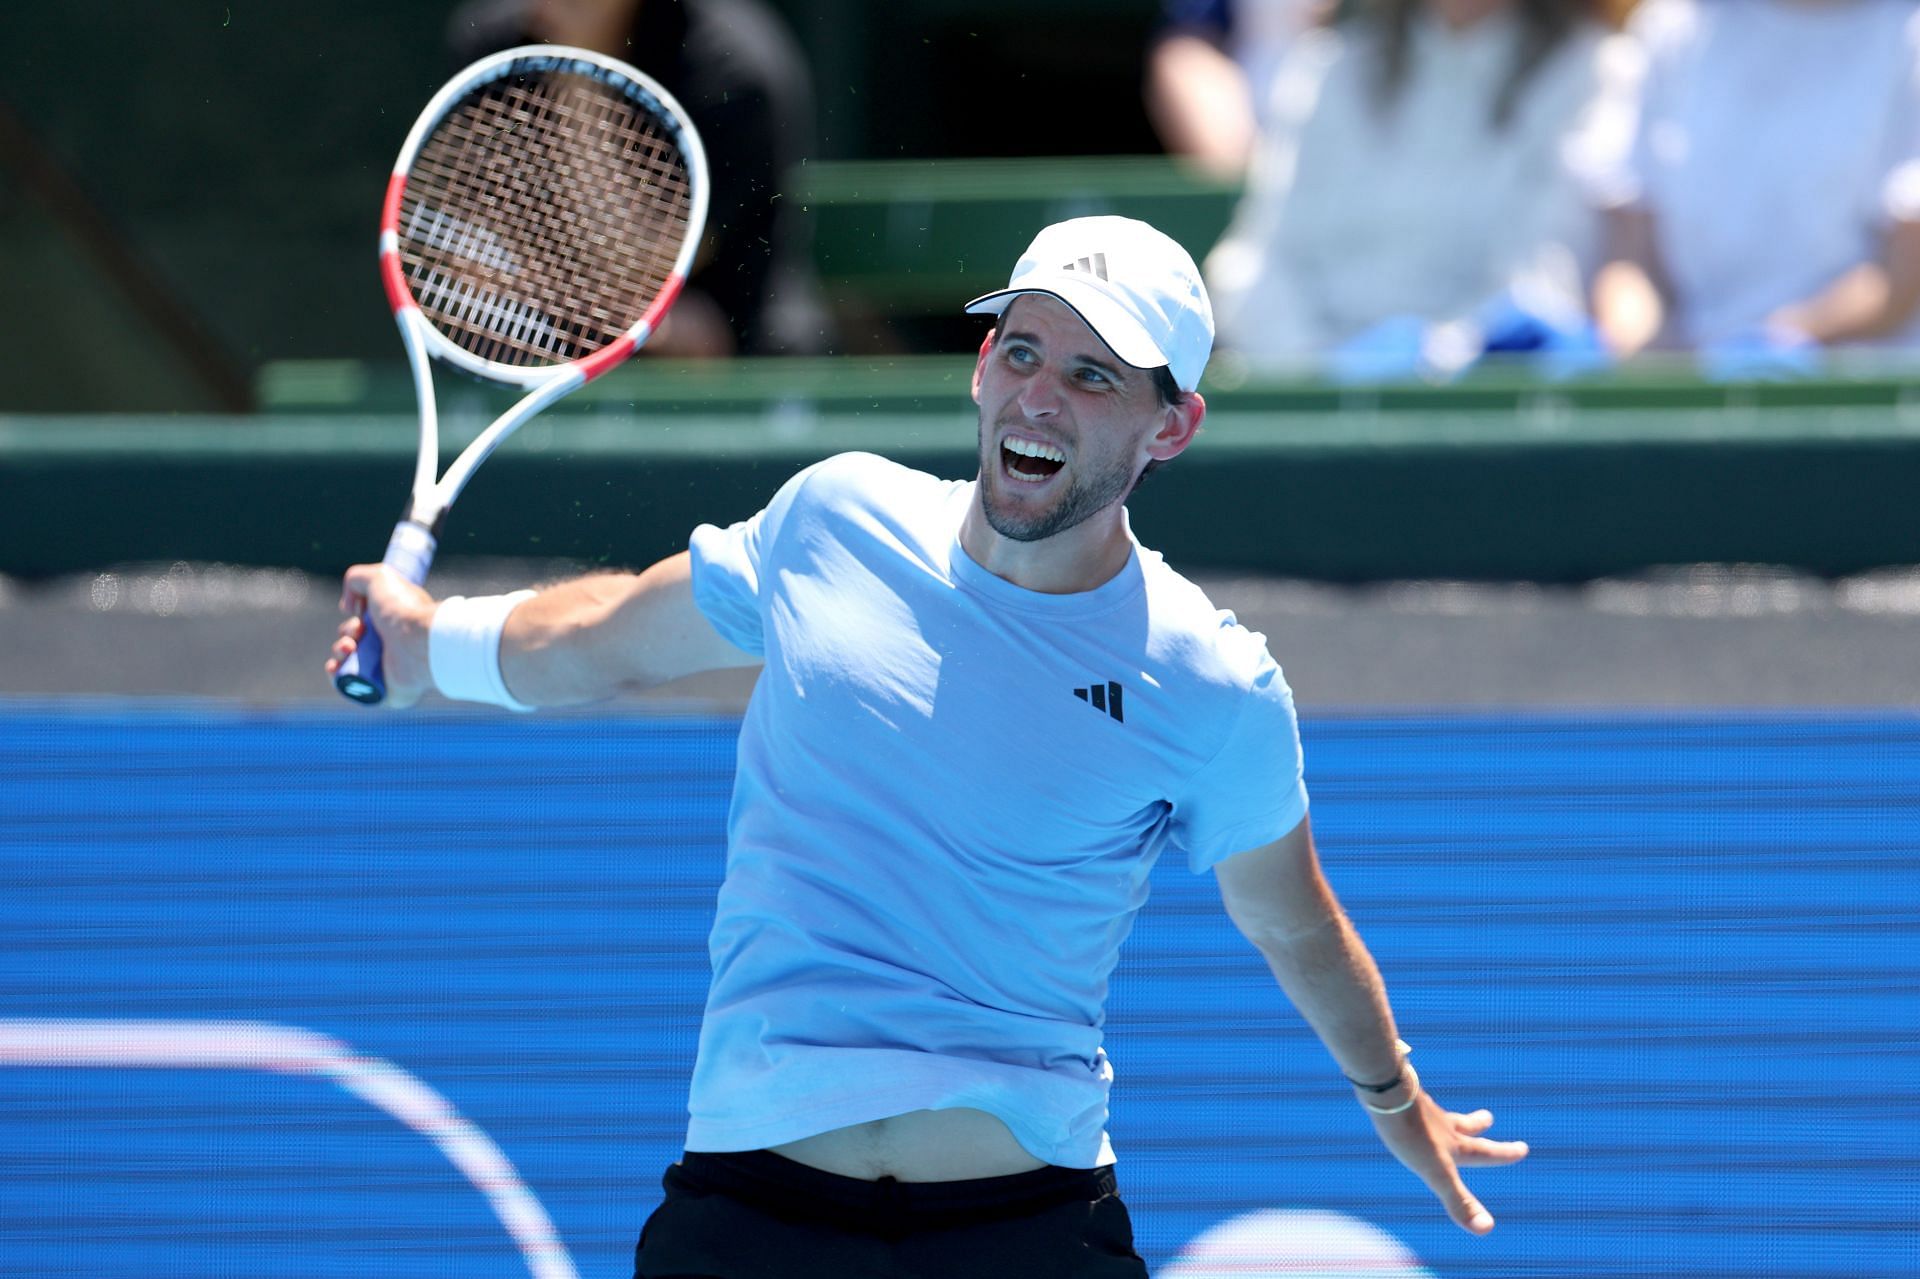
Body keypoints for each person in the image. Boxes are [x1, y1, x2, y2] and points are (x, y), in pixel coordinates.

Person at [327, 215, 1528, 1278]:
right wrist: (433, 646)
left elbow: (1293, 918)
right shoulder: (833, 517)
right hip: (751, 1214)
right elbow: (604, 638)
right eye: (1022, 352)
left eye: (1094, 376)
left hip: (1022, 1226)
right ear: (979, 366)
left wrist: (1391, 1092)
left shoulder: (1210, 681)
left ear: (1173, 428)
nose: (1041, 397)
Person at [1203, 0, 1620, 380]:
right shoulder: (1326, 69)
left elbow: (1537, 287)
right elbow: (1258, 265)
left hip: (1472, 423)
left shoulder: (1590, 73)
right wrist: (1320, 374)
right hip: (1310, 401)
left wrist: (1430, 365)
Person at [449, 0, 834, 357]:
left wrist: (576, 72)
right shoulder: (493, 48)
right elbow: (474, 263)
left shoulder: (734, 66)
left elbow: (639, 276)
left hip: (733, 360)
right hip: (550, 348)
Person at [1586, 0, 1920, 377]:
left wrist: (1786, 340)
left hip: (1863, 401)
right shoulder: (1671, 27)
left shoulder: (1908, 35)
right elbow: (1630, 255)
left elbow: (1903, 274)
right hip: (1691, 399)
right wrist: (1641, 359)